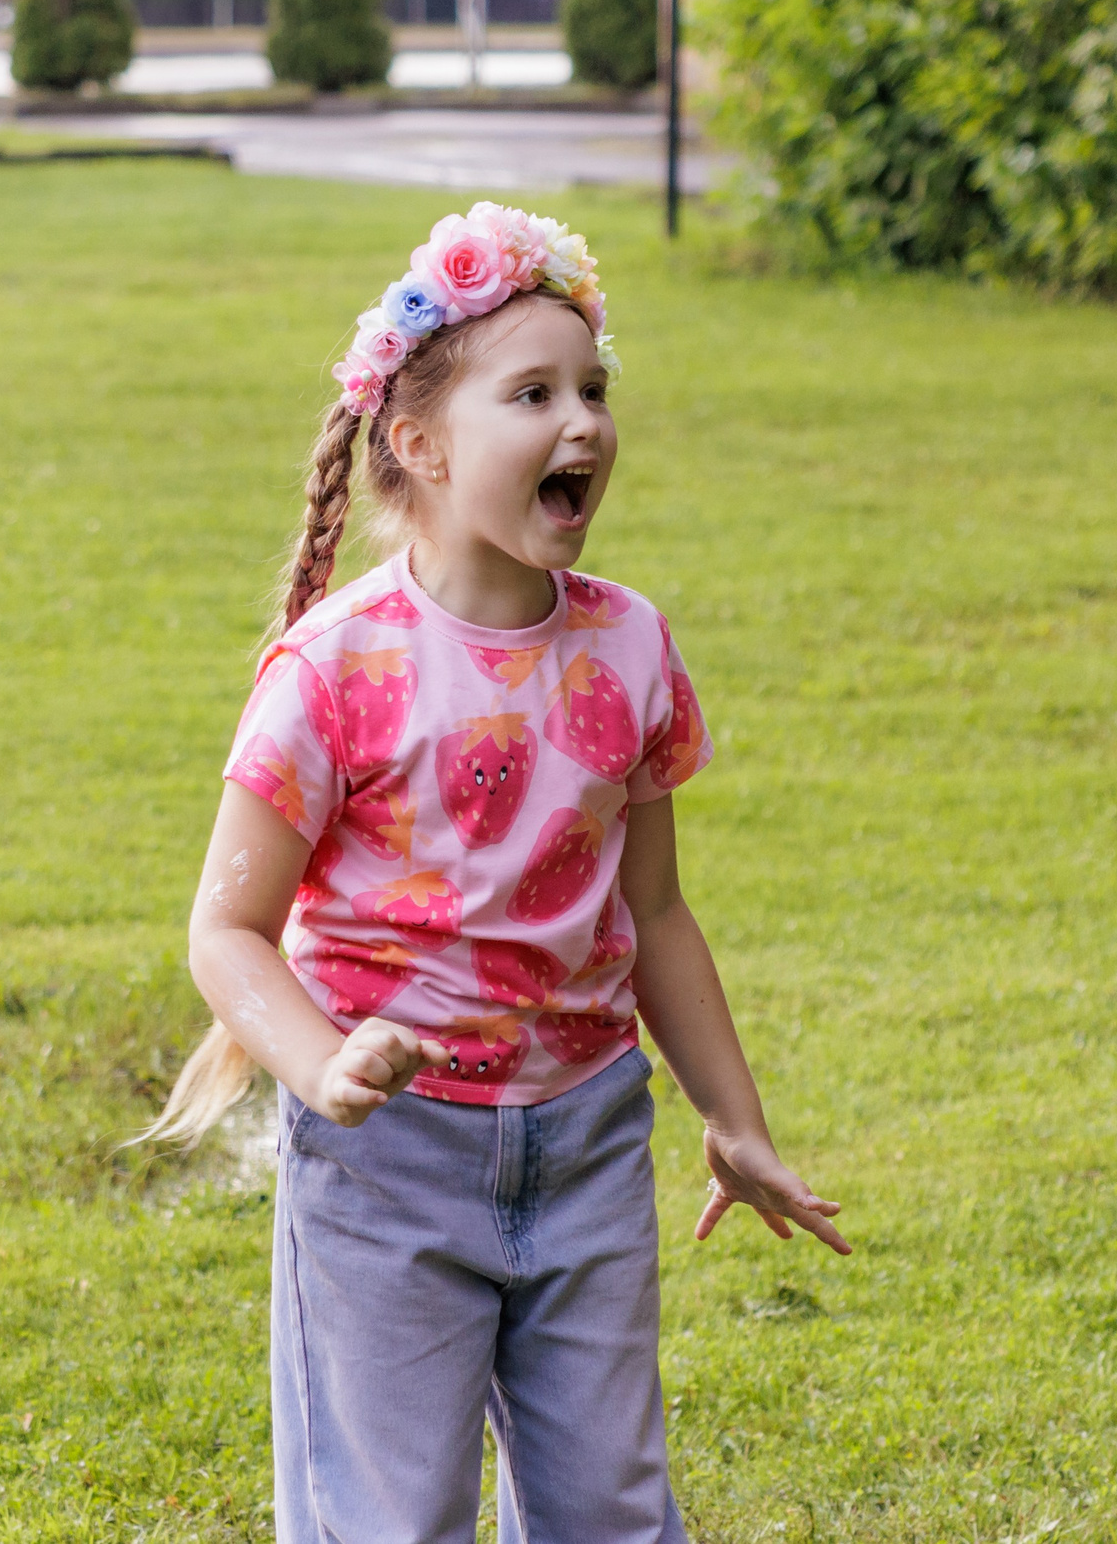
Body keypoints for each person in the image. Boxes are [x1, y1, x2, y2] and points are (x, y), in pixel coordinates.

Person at [145, 204, 850, 1543]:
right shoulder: (334, 669)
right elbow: (227, 928)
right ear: (420, 442)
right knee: (386, 1518)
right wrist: (324, 1066)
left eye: (594, 389)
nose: (582, 421)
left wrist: (734, 1115)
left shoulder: (630, 646)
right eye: (534, 394)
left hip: (586, 1138)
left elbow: (654, 912)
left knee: (609, 1512)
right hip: (389, 1158)